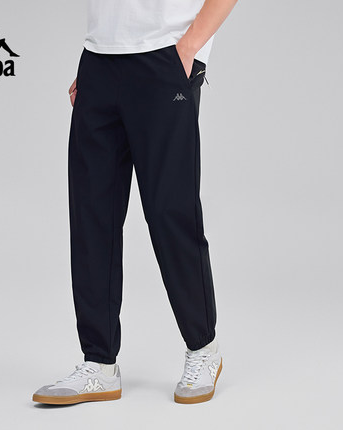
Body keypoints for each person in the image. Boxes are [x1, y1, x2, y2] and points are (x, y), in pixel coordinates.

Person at [33, 0, 238, 405]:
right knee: (92, 215)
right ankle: (99, 363)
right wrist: (100, 57)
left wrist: (188, 49)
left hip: (165, 57)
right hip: (99, 59)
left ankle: (203, 348)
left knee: (169, 211)